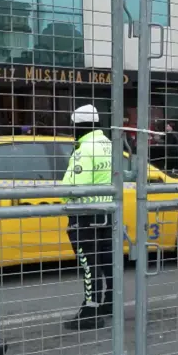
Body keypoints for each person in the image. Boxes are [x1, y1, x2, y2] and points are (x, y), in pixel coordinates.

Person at [61, 104, 115, 330]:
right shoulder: (109, 145)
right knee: (107, 261)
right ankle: (110, 303)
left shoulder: (84, 149)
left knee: (88, 264)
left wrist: (63, 198)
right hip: (108, 212)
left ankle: (90, 310)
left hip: (85, 215)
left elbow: (74, 186)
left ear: (80, 126)